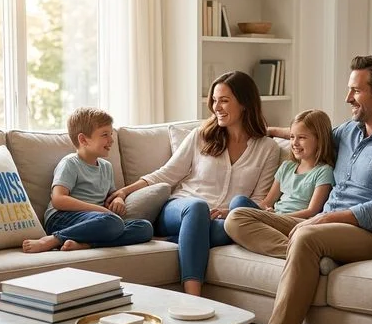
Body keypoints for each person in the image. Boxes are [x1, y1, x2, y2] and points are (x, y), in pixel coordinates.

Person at [225, 54, 372, 324]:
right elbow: (310, 136)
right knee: (238, 217)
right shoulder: (349, 132)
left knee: (307, 237)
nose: (348, 98)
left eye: (356, 90)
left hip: (371, 235)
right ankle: (312, 260)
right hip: (321, 226)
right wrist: (266, 131)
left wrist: (324, 218)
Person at [107, 71, 281, 296]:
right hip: (181, 209)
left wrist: (229, 212)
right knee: (197, 207)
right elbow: (166, 174)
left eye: (224, 101)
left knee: (230, 227)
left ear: (245, 103)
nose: (216, 107)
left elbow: (256, 201)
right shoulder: (201, 136)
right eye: (214, 100)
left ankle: (176, 240)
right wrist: (124, 191)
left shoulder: (268, 149)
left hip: (220, 219)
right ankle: (194, 298)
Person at [22, 107, 153, 253]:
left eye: (111, 134)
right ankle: (55, 239)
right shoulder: (70, 163)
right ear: (83, 139)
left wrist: (118, 199)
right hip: (62, 219)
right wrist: (101, 211)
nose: (111, 140)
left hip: (94, 222)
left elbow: (111, 196)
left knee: (145, 227)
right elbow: (58, 199)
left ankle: (85, 245)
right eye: (105, 135)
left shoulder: (106, 167)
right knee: (113, 222)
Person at [226, 109, 335, 236]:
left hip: (295, 221)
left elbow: (312, 211)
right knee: (238, 202)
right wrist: (228, 212)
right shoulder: (287, 167)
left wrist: (275, 218)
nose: (294, 143)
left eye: (302, 138)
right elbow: (267, 202)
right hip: (274, 217)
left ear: (319, 139)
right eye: (292, 137)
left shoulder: (323, 171)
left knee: (239, 209)